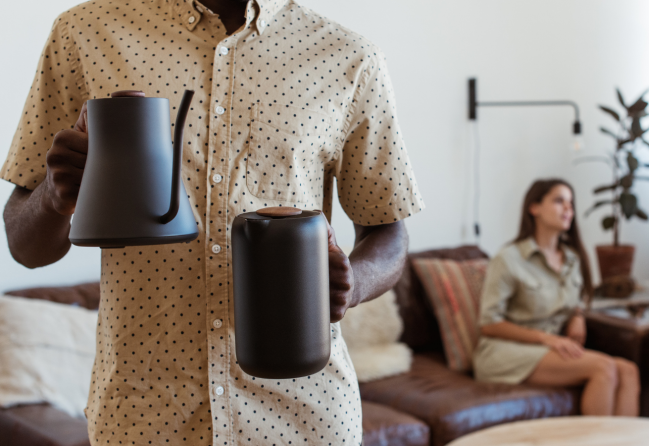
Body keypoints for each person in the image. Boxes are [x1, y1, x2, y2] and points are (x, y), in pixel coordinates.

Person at [1, 0, 424, 444]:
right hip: (144, 417)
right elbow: (24, 245)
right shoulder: (84, 34)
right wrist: (54, 196)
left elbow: (388, 228)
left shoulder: (350, 56)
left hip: (305, 416)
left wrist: (353, 282)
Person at [472, 179, 640, 416]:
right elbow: (489, 324)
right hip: (506, 352)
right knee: (604, 368)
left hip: (550, 348)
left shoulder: (572, 259)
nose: (568, 209)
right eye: (559, 201)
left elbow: (577, 299)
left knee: (628, 370)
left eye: (570, 203)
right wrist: (547, 339)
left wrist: (578, 315)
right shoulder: (509, 259)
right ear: (535, 208)